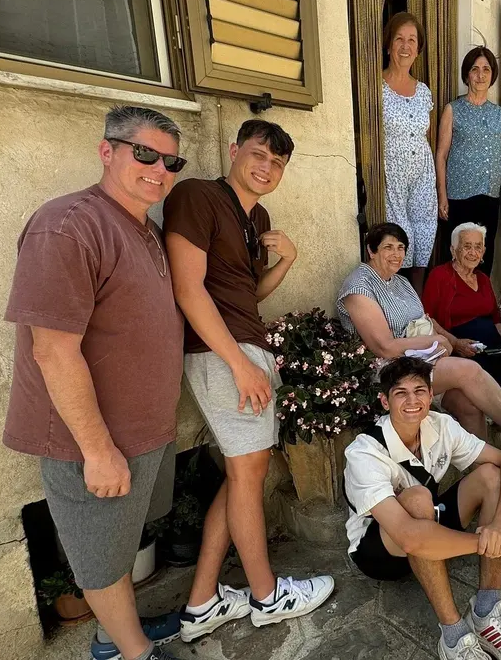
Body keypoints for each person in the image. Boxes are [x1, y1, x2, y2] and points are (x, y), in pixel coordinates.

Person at [3, 106, 186, 660]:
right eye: (144, 153)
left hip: (141, 431)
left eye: (170, 160)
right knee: (101, 556)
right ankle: (131, 652)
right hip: (93, 439)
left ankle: (115, 632)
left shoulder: (147, 229)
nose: (158, 168)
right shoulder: (69, 225)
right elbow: (53, 351)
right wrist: (96, 449)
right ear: (108, 151)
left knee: (120, 543)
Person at [164, 120, 334, 641]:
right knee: (249, 472)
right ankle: (266, 595)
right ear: (235, 150)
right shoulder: (196, 196)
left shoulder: (255, 216)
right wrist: (239, 364)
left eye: (278, 163)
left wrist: (288, 261)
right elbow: (187, 289)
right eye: (259, 154)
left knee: (246, 473)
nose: (266, 167)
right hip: (223, 353)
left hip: (243, 343)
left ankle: (202, 602)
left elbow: (248, 295)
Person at [344, 357, 501, 660]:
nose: (413, 401)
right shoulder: (364, 452)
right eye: (401, 393)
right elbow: (409, 536)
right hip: (381, 551)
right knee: (416, 499)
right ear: (384, 401)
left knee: (490, 475)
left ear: (429, 394)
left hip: (429, 520)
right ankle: (454, 637)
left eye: (420, 391)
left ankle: (488, 612)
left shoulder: (440, 425)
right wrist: (486, 544)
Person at [337, 222, 501, 443]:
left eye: (401, 248)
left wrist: (447, 341)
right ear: (371, 250)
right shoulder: (359, 286)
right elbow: (383, 347)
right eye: (388, 247)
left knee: (469, 404)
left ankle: (482, 470)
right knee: (469, 370)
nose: (396, 254)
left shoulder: (401, 282)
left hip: (421, 358)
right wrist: (435, 340)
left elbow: (425, 319)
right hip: (385, 369)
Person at [435, 46, 501, 276]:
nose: (480, 75)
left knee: (483, 256)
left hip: (489, 196)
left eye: (486, 69)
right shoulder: (453, 109)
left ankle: (480, 305)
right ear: (467, 75)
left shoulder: (498, 113)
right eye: (475, 69)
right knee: (459, 254)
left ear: (492, 75)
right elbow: (441, 154)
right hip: (460, 196)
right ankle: (457, 308)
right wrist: (442, 195)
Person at [422, 222, 501, 391]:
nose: (473, 253)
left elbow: (495, 317)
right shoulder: (439, 276)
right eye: (467, 246)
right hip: (459, 348)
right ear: (453, 250)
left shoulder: (483, 279)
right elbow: (428, 318)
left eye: (478, 247)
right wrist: (455, 342)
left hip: (490, 349)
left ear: (484, 252)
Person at [382, 11, 438, 295]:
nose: (405, 46)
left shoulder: (425, 91)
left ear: (418, 49)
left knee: (424, 232)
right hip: (391, 170)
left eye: (412, 40)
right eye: (399, 39)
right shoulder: (376, 87)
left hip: (422, 172)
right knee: (397, 234)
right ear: (389, 44)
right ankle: (394, 299)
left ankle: (417, 303)